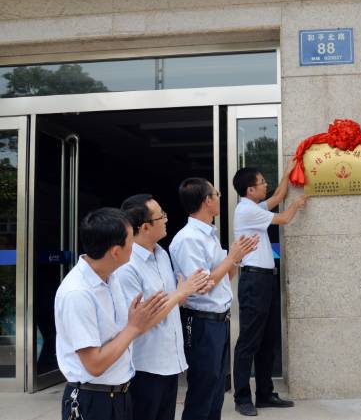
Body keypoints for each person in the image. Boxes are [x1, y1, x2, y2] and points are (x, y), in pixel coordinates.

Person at [55, 207, 168, 420]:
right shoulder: (78, 293)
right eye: (130, 242)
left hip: (120, 395)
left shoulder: (111, 277)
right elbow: (94, 365)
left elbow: (126, 330)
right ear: (116, 251)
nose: (134, 246)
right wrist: (134, 327)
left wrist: (141, 320)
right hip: (92, 401)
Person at [115, 194, 212, 420]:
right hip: (145, 366)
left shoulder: (161, 253)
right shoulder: (127, 267)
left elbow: (170, 300)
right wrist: (180, 292)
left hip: (170, 362)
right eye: (162, 216)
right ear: (146, 227)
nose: (167, 219)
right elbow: (140, 321)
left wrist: (187, 292)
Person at [169, 178, 259, 420]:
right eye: (217, 194)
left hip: (218, 321)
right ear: (206, 200)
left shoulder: (208, 234)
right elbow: (202, 286)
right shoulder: (189, 239)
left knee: (217, 391)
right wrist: (232, 258)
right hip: (200, 322)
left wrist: (237, 255)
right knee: (203, 390)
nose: (220, 198)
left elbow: (223, 277)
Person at [231, 160, 307, 416]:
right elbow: (284, 216)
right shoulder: (246, 210)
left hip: (265, 279)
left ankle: (264, 394)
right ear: (250, 190)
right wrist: (297, 204)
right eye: (262, 182)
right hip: (254, 280)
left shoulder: (254, 207)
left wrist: (287, 173)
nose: (266, 185)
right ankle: (242, 398)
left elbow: (277, 197)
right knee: (249, 341)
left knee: (268, 338)